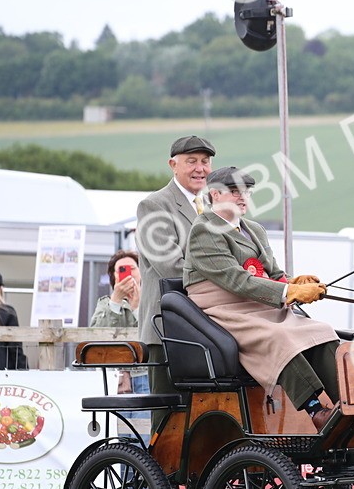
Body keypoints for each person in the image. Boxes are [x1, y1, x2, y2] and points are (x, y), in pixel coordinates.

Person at [184, 167, 339, 430]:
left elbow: (272, 273)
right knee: (280, 338)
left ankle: (348, 401)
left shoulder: (253, 228)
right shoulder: (204, 230)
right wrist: (288, 293)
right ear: (215, 195)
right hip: (225, 311)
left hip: (261, 305)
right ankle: (316, 411)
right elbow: (236, 280)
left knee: (322, 331)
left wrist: (293, 282)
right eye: (235, 192)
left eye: (246, 192)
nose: (243, 197)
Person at [136, 135, 215, 399]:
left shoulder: (213, 207)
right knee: (169, 412)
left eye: (205, 162)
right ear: (173, 165)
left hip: (209, 327)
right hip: (168, 330)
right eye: (191, 161)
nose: (200, 168)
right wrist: (228, 284)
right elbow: (170, 268)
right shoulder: (154, 205)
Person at [90, 250, 145, 396]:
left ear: (141, 273)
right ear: (113, 276)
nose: (128, 273)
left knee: (146, 418)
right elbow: (95, 334)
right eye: (121, 270)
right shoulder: (104, 304)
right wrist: (115, 302)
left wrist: (136, 308)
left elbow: (154, 332)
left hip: (145, 374)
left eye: (132, 269)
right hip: (112, 375)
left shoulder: (151, 301)